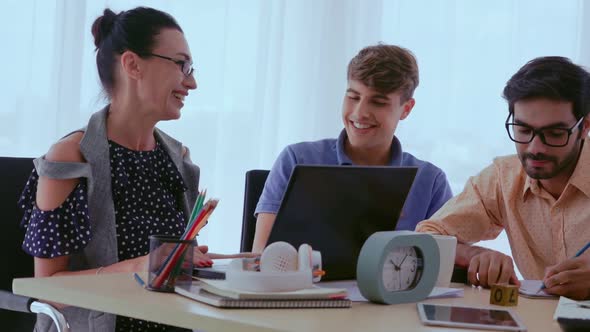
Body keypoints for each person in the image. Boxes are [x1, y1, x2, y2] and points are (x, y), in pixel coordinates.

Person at [19, 7, 208, 331]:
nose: (191, 81)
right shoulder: (71, 158)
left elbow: (169, 272)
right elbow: (47, 288)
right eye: (182, 65)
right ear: (133, 64)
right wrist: (137, 267)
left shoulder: (179, 160)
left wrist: (228, 266)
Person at [416, 56, 590, 300]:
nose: (535, 147)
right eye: (524, 130)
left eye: (554, 133)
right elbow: (426, 237)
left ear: (585, 127)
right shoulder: (503, 177)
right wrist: (473, 255)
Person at [252, 44, 453, 253]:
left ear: (406, 109)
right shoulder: (296, 159)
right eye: (353, 97)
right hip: (303, 285)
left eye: (378, 102)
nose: (359, 113)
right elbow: (262, 255)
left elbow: (445, 261)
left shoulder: (431, 182)